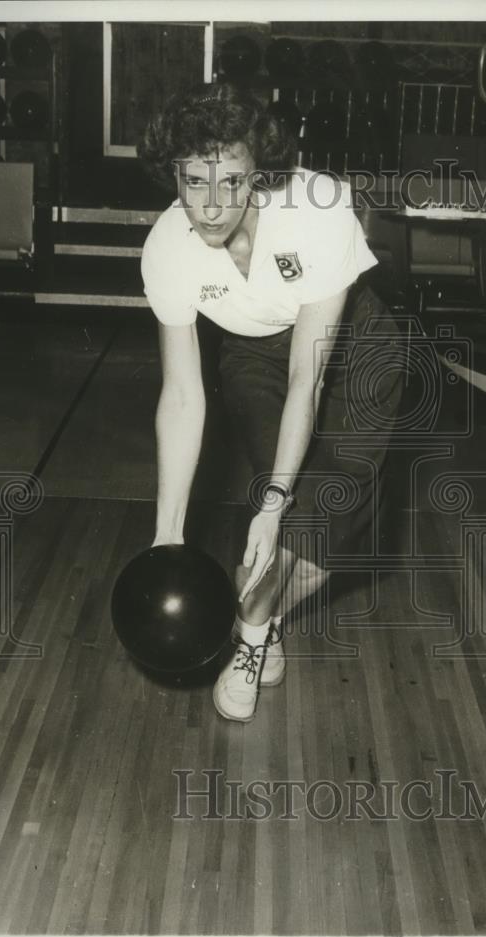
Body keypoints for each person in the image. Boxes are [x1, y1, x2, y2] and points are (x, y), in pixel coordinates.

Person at [138, 83, 404, 722]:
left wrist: (274, 505)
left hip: (356, 350)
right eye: (193, 182)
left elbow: (307, 379)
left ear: (258, 175)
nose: (210, 204)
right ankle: (254, 638)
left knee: (323, 530)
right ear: (172, 174)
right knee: (293, 515)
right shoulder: (166, 250)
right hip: (255, 357)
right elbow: (181, 395)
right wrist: (166, 535)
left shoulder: (318, 208)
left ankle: (261, 622)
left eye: (230, 181)